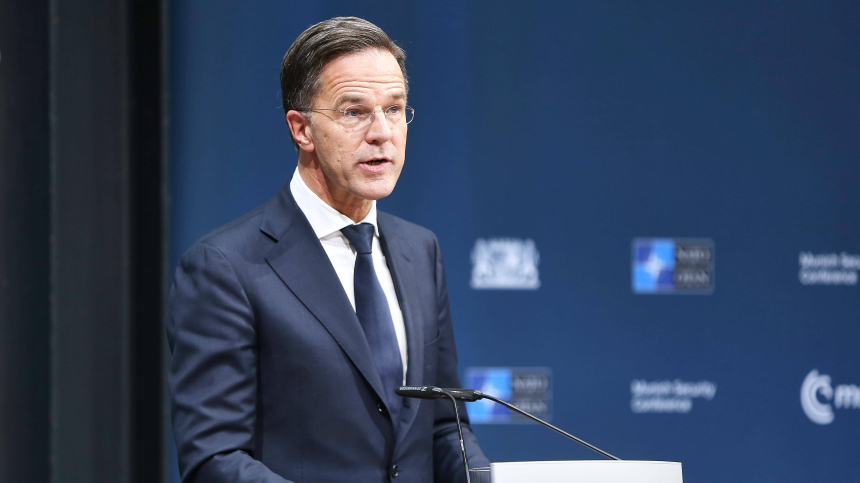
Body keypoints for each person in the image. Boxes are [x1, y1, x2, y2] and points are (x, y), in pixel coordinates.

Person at [167, 17, 489, 483]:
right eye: (354, 112)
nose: (382, 132)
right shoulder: (224, 268)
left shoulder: (420, 251)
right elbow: (214, 459)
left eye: (394, 108)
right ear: (302, 130)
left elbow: (444, 427)